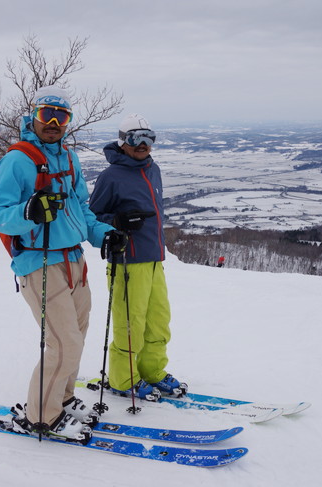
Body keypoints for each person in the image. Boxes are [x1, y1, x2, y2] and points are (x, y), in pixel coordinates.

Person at [0, 86, 126, 442]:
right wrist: (29, 212)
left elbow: (81, 208)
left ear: (68, 122)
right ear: (33, 115)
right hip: (39, 263)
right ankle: (41, 416)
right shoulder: (18, 160)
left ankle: (61, 398)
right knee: (64, 343)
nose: (53, 122)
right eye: (47, 114)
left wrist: (104, 234)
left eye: (61, 117)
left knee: (76, 336)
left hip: (74, 260)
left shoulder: (69, 158)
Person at [89, 114, 186, 400]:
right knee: (130, 324)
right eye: (136, 139)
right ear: (123, 142)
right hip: (127, 261)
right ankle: (123, 379)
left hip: (155, 259)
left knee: (158, 321)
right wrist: (117, 221)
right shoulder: (111, 176)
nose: (144, 145)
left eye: (149, 138)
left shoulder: (151, 168)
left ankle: (152, 371)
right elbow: (92, 218)